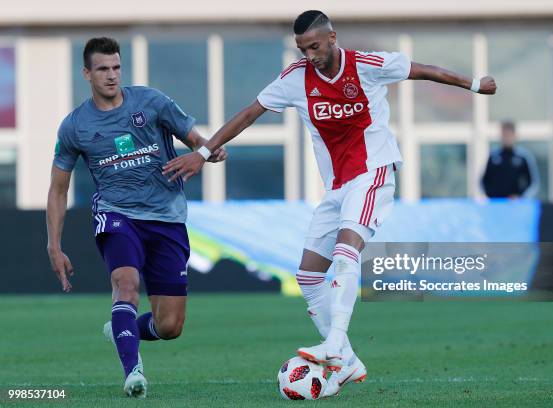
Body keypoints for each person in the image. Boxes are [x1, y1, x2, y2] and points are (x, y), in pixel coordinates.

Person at [162, 10, 497, 397]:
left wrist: (474, 84)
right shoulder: (295, 79)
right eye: (302, 49)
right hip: (336, 188)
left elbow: (424, 70)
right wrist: (203, 153)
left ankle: (335, 343)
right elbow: (249, 113)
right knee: (307, 276)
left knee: (345, 248)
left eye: (315, 46)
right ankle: (349, 362)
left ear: (333, 37)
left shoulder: (368, 65)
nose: (310, 55)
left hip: (373, 172)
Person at [46, 37, 226, 398]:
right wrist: (53, 245)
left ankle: (121, 327)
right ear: (87, 73)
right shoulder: (75, 126)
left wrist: (208, 151)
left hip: (167, 217)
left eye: (116, 67)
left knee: (170, 325)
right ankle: (133, 373)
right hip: (116, 215)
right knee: (125, 282)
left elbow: (196, 140)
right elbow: (58, 189)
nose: (111, 76)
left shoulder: (152, 102)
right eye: (102, 69)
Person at [482, 121, 540, 199]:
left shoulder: (523, 157)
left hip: (516, 204)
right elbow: (484, 181)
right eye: (504, 135)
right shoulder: (493, 156)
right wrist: (491, 195)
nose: (506, 138)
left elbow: (533, 182)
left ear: (514, 136)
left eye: (509, 135)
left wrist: (520, 197)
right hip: (496, 203)